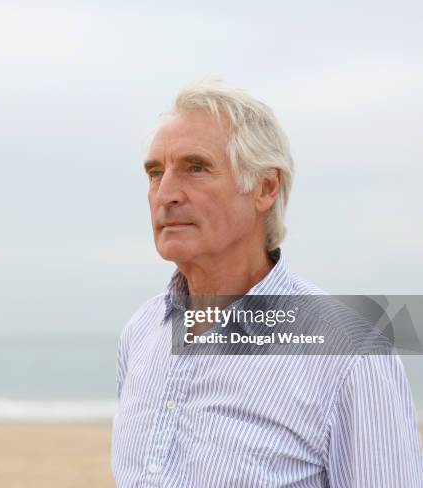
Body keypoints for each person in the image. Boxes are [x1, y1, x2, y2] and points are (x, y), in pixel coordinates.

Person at [111, 79, 423, 487]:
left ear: (265, 187)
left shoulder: (351, 351)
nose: (165, 193)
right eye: (155, 173)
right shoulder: (142, 333)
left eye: (196, 168)